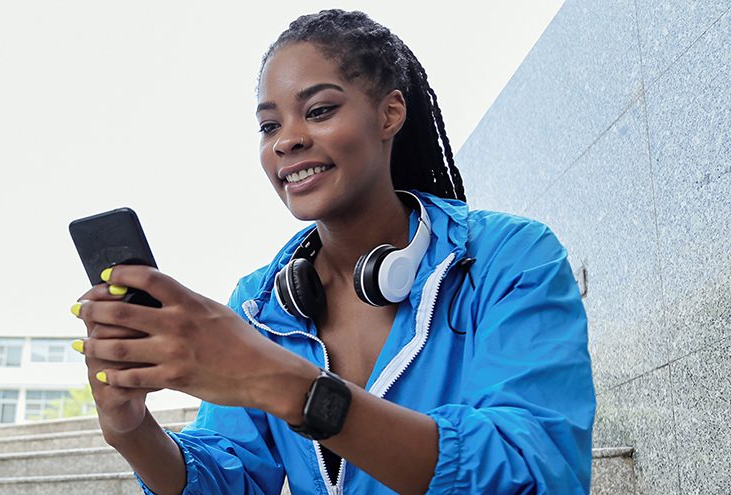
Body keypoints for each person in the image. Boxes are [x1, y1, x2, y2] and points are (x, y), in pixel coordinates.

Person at [70, 9, 596, 494]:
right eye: (269, 125)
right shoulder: (260, 304)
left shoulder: (509, 258)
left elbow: (533, 469)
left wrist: (283, 383)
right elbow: (227, 477)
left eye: (318, 110)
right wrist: (131, 429)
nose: (286, 141)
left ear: (390, 114)